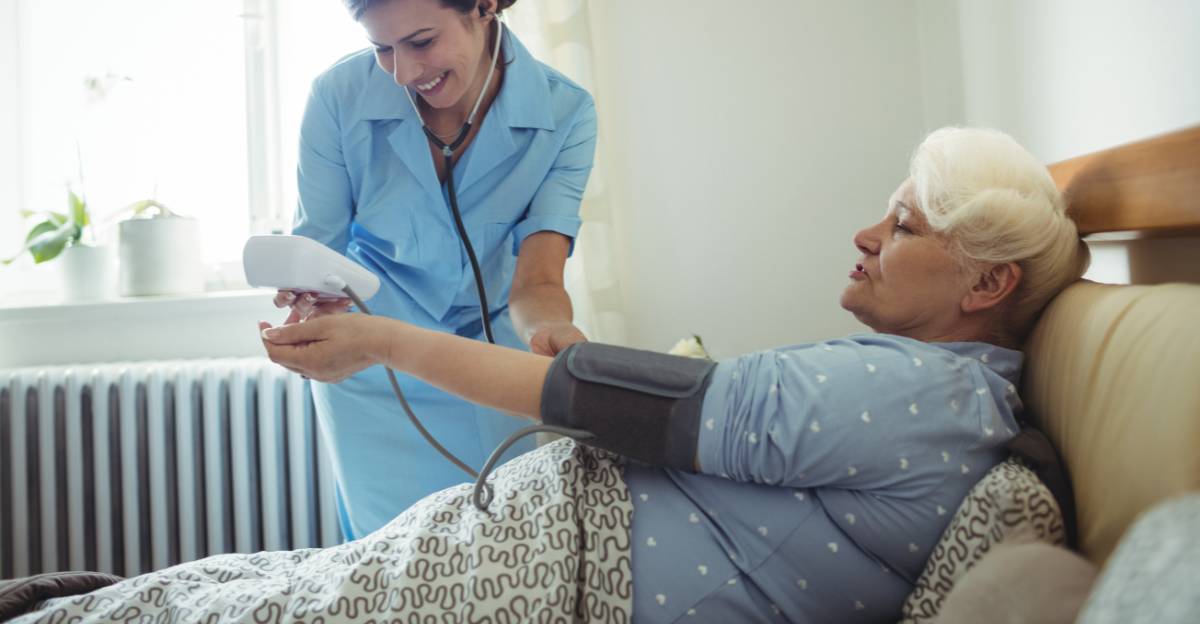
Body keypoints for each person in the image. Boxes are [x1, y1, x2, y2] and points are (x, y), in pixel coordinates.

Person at [16, 127, 1089, 624]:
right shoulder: (924, 389)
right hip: (532, 533)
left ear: (987, 282)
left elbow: (607, 397)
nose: (867, 232)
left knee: (244, 610)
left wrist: (381, 340)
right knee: (222, 590)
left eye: (903, 223)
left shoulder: (925, 398)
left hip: (543, 571)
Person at [277, 0, 598, 539]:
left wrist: (554, 337)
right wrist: (306, 303)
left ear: (484, 7)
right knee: (389, 569)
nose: (403, 71)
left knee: (504, 557)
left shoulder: (566, 114)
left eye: (421, 42)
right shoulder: (336, 99)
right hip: (373, 371)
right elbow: (320, 247)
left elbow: (537, 281)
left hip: (493, 363)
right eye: (381, 49)